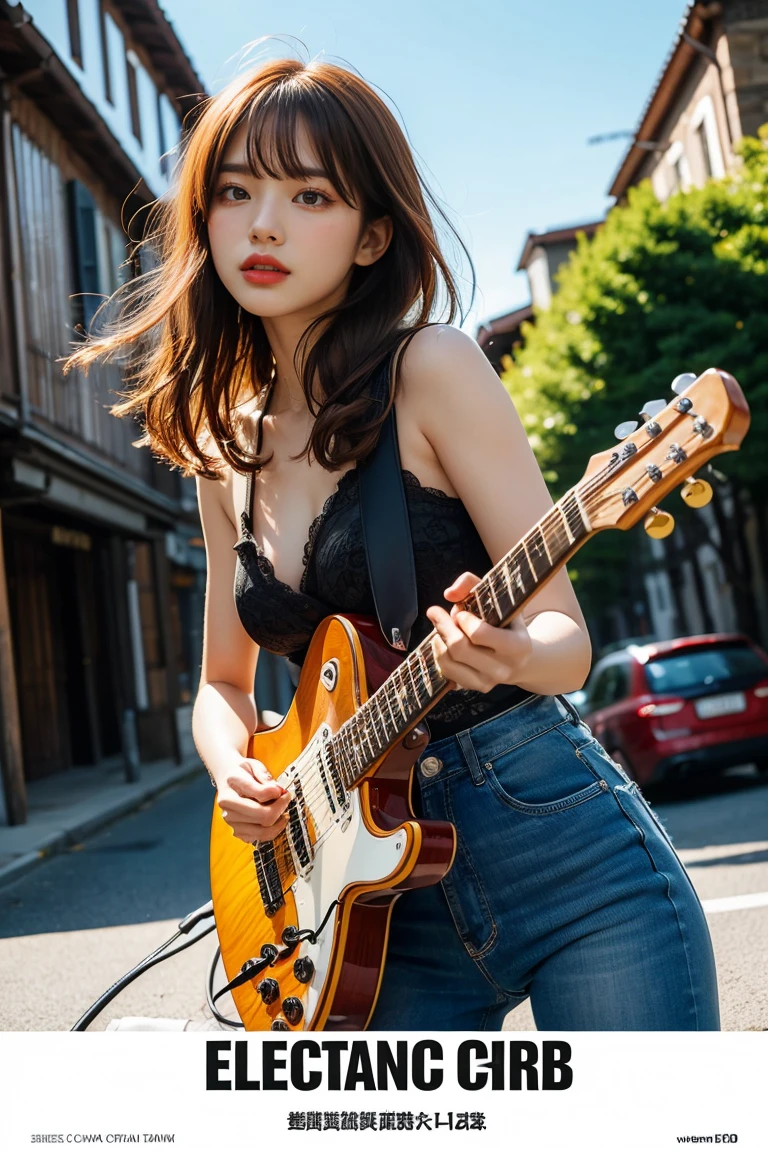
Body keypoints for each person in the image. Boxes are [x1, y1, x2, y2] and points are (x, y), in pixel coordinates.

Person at [64, 57, 719, 1031]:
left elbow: (567, 641)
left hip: (565, 854)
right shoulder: (223, 454)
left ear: (373, 234)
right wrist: (232, 766)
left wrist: (507, 654)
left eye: (308, 193)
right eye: (235, 191)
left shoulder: (433, 369)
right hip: (367, 910)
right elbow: (225, 684)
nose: (265, 223)